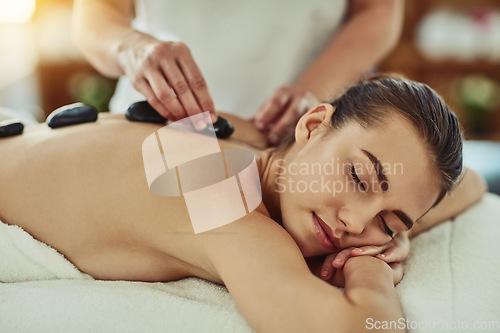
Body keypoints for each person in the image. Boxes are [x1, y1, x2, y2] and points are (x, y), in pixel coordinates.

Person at [0, 76, 486, 332]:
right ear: (313, 126)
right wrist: (372, 268)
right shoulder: (218, 197)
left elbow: (472, 183)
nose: (354, 224)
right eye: (358, 176)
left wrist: (395, 233)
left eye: (386, 220)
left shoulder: (250, 137)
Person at [72, 0, 404, 143]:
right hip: (151, 127)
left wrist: (313, 91)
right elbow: (96, 13)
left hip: (285, 138)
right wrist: (131, 47)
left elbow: (379, 10)